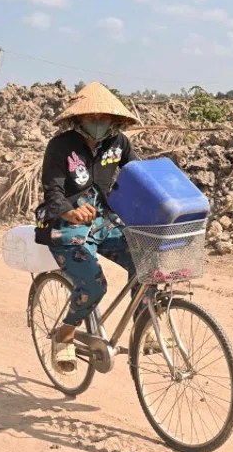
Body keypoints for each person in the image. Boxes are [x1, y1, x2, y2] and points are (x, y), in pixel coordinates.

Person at [34, 82, 153, 372]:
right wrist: (70, 211)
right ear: (78, 119)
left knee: (147, 261)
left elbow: (137, 178)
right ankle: (65, 334)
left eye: (104, 118)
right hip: (64, 226)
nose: (99, 124)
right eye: (92, 118)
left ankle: (143, 327)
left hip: (105, 221)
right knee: (94, 285)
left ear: (114, 120)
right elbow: (53, 193)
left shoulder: (119, 143)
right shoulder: (61, 146)